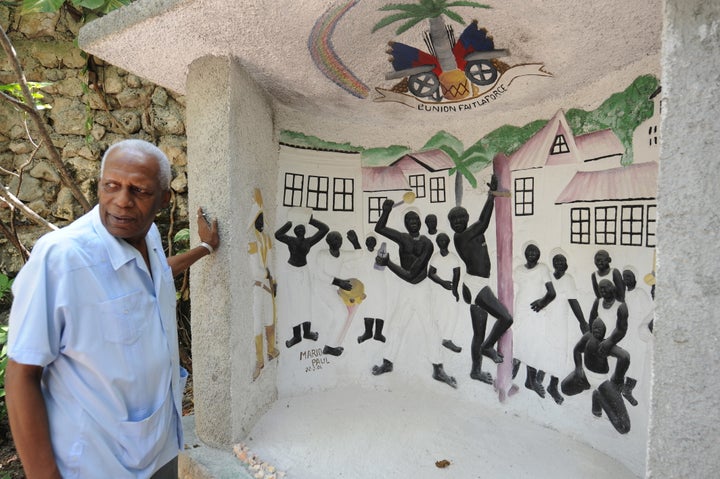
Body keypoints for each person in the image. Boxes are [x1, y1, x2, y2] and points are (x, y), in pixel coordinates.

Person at [6, 139, 220, 479]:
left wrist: (205, 248)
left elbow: (158, 275)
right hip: (96, 464)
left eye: (139, 190)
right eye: (111, 186)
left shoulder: (144, 236)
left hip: (158, 447)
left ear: (164, 199)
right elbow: (21, 374)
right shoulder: (63, 259)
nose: (122, 201)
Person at [372, 201, 457, 388]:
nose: (412, 222)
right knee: (396, 324)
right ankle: (387, 362)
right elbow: (380, 228)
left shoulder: (427, 244)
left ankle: (438, 369)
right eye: (409, 219)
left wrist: (388, 264)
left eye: (415, 219)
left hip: (420, 287)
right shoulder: (402, 238)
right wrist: (385, 210)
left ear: (420, 222)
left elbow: (411, 275)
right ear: (405, 223)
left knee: (430, 327)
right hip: (404, 288)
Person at [447, 174, 513, 383]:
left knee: (478, 332)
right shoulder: (461, 237)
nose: (457, 222)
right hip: (476, 285)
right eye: (453, 220)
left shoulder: (470, 232)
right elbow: (483, 222)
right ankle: (487, 346)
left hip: (476, 283)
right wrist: (491, 196)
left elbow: (481, 224)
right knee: (506, 318)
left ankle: (475, 371)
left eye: (460, 218)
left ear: (466, 219)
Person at [274, 213, 329, 348]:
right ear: (295, 232)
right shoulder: (291, 240)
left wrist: (310, 220)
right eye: (297, 230)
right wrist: (289, 223)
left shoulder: (308, 241)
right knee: (295, 303)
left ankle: (307, 332)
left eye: (302, 229)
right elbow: (277, 235)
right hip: (292, 271)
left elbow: (324, 229)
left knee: (305, 302)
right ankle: (296, 335)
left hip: (304, 271)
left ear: (304, 231)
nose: (300, 231)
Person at [543, 251, 588, 404]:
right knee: (544, 350)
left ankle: (553, 386)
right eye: (556, 261)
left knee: (559, 353)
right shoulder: (547, 277)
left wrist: (582, 322)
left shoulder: (568, 279)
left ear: (566, 264)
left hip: (561, 322)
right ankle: (537, 380)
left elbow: (573, 302)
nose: (559, 263)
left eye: (562, 261)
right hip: (546, 320)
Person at [512, 243, 556, 399]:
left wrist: (542, 303)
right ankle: (509, 378)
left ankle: (530, 381)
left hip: (535, 313)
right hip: (520, 311)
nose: (532, 253)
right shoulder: (518, 270)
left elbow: (552, 293)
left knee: (534, 345)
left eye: (536, 251)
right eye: (529, 251)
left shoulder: (542, 269)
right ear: (524, 253)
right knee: (517, 343)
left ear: (539, 254)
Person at [248, 188, 279, 381]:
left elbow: (270, 264)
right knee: (257, 322)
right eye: (258, 218)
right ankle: (259, 359)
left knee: (270, 318)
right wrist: (267, 275)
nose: (261, 222)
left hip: (268, 284)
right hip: (258, 286)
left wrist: (273, 280)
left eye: (262, 218)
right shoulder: (252, 242)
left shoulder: (266, 239)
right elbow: (256, 269)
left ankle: (271, 349)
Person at [428, 232, 463, 353]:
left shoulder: (453, 257)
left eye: (444, 240)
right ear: (437, 243)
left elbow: (457, 273)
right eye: (440, 241)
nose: (442, 243)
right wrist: (442, 283)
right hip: (438, 290)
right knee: (437, 314)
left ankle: (447, 339)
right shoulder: (436, 257)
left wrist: (455, 290)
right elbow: (431, 273)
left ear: (448, 242)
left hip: (450, 291)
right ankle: (436, 339)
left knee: (452, 313)